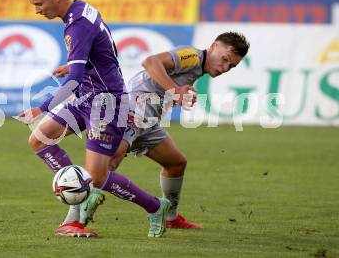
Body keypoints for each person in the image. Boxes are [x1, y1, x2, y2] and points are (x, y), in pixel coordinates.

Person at [18, 0, 170, 238]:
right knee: (39, 139)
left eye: (39, 4)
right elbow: (104, 49)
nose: (37, 10)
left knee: (98, 177)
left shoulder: (77, 25)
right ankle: (75, 190)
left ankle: (155, 206)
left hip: (106, 102)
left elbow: (74, 80)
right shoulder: (80, 9)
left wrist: (41, 108)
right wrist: (76, 65)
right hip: (89, 96)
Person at [107, 32, 250, 229]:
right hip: (134, 111)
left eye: (231, 66)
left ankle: (170, 217)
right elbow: (150, 62)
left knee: (176, 163)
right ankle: (74, 221)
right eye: (225, 59)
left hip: (148, 121)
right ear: (214, 46)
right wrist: (175, 91)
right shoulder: (192, 56)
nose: (225, 68)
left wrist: (176, 95)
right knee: (108, 163)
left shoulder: (198, 68)